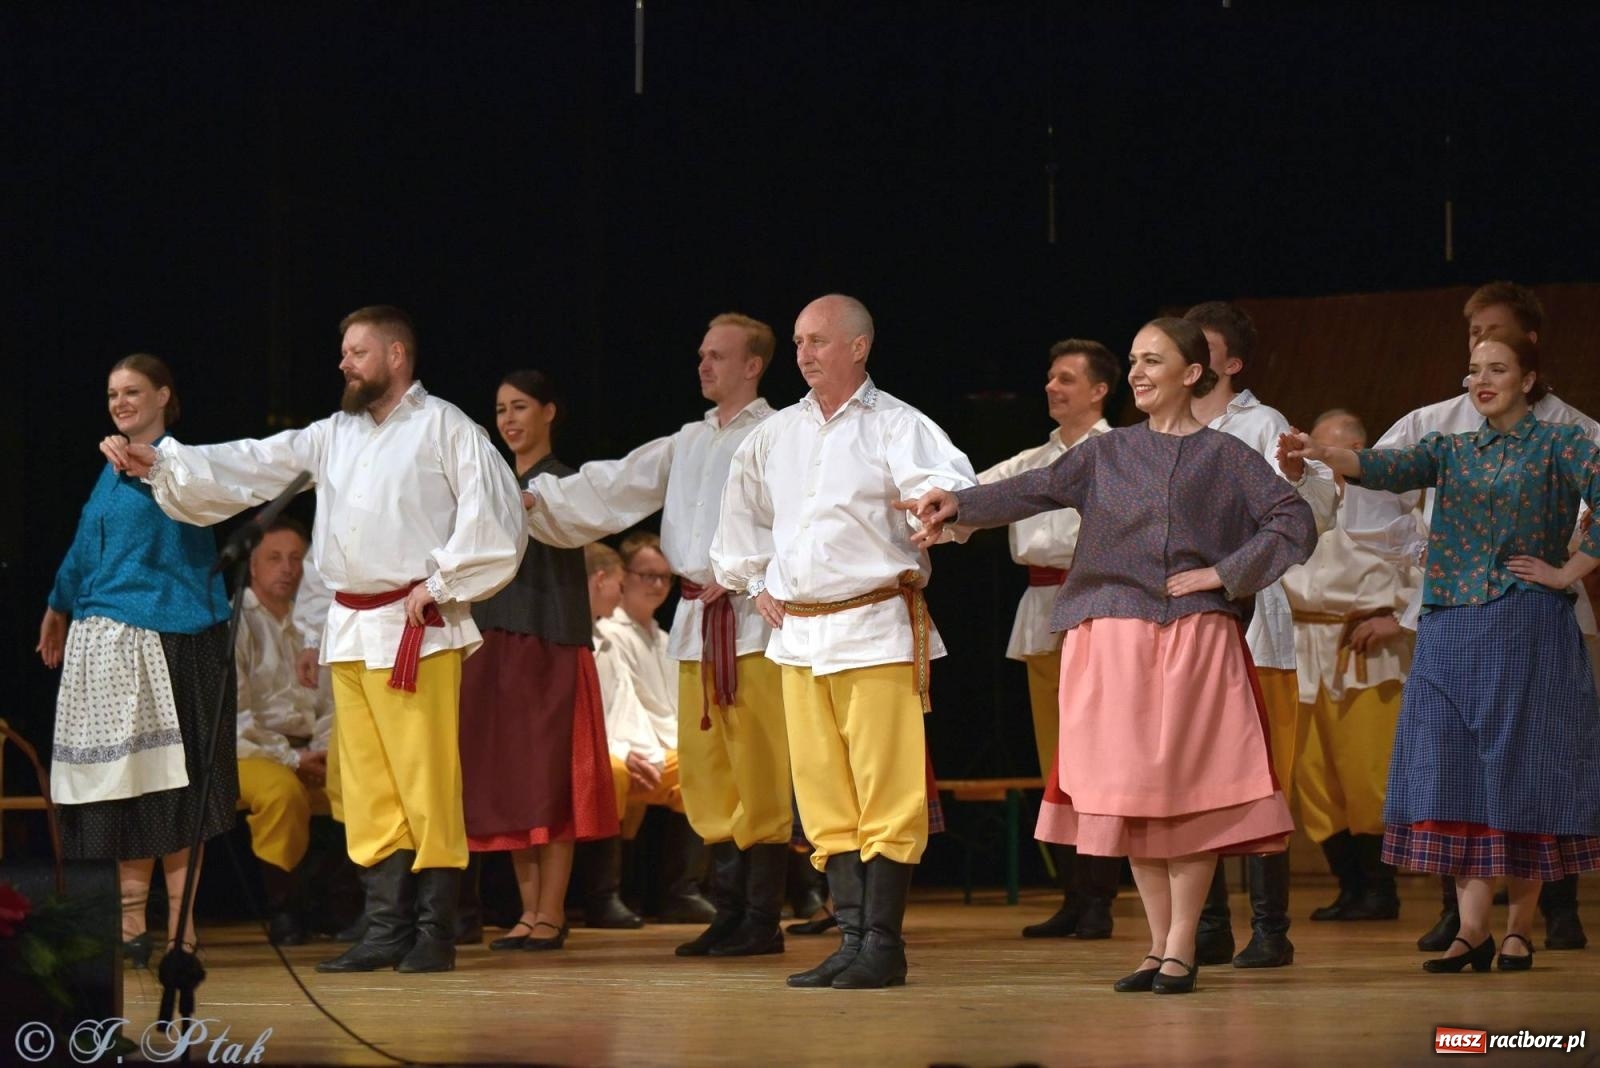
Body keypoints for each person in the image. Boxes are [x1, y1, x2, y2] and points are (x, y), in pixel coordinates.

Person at [100, 305, 526, 974]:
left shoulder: (445, 427)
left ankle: (435, 927)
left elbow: (495, 515)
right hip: (354, 630)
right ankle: (384, 924)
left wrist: (443, 584)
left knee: (424, 778)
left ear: (395, 357)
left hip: (415, 626)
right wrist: (163, 462)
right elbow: (255, 463)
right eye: (344, 352)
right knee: (364, 784)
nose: (344, 363)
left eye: (357, 352)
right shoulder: (336, 434)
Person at [908, 317, 1316, 995]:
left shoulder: (1225, 455)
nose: (1138, 372)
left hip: (1190, 637)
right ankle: (1158, 946)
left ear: (1192, 374)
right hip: (1107, 639)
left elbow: (1293, 519)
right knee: (1132, 800)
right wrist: (959, 504)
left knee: (1185, 799)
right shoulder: (1108, 453)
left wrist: (1226, 572)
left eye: (1153, 360)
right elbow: (1030, 488)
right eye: (1133, 360)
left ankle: (1183, 945)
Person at [1286, 334, 1600, 974]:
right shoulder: (1449, 448)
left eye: (1498, 370)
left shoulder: (1561, 444)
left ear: (1529, 379)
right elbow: (1382, 468)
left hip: (1525, 620)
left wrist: (1569, 572)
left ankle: (1518, 930)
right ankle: (1470, 930)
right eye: (1474, 371)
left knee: (1522, 768)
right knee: (1455, 769)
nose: (1481, 381)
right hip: (1450, 625)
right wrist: (1320, 451)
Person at [712, 293, 977, 990]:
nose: (804, 353)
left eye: (819, 341)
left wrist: (937, 512)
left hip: (875, 628)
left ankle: (883, 945)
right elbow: (739, 520)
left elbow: (952, 490)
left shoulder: (896, 425)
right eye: (799, 341)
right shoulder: (774, 436)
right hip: (800, 636)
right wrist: (751, 584)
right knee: (825, 796)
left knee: (885, 792)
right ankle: (851, 937)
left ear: (858, 347)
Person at [522, 313, 793, 958]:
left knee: (757, 764)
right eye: (701, 355)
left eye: (718, 357)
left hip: (751, 620)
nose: (704, 366)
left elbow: (800, 520)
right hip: (699, 619)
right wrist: (541, 500)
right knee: (706, 770)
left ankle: (761, 915)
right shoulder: (688, 440)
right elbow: (616, 484)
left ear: (753, 365)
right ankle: (728, 910)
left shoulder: (781, 435)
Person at [39, 353, 236, 969]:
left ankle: (181, 925)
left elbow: (204, 505)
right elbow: (87, 542)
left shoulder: (182, 465)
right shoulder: (110, 469)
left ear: (163, 396)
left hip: (175, 635)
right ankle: (130, 924)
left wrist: (156, 470)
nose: (120, 402)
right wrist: (58, 603)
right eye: (112, 394)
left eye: (132, 392)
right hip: (115, 643)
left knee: (175, 789)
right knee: (130, 787)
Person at [1184, 300, 1337, 969]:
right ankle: (1210, 925)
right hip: (1185, 627)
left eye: (1204, 345)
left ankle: (1271, 929)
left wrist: (1299, 475)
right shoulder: (1167, 425)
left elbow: (1306, 517)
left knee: (1262, 775)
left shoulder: (1262, 424)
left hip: (1253, 622)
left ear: (1232, 362)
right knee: (1195, 774)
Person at [953, 338, 1121, 939]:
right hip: (1043, 605)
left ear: (1100, 390)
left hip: (1100, 608)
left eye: (1067, 379)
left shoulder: (1123, 453)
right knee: (1057, 760)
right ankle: (1075, 893)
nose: (1053, 387)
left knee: (1099, 757)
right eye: (1050, 378)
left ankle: (1101, 895)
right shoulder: (1032, 460)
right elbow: (966, 494)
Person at [460, 370, 619, 953]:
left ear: (550, 411)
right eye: (501, 409)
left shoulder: (565, 484)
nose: (508, 420)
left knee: (551, 780)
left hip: (548, 635)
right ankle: (529, 911)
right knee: (514, 783)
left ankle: (551, 910)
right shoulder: (494, 483)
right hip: (496, 636)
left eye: (520, 406)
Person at [1280, 410, 1417, 922]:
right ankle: (1349, 886)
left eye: (1327, 449)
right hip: (1303, 644)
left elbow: (1424, 561)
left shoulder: (1384, 503)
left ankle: (1382, 888)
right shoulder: (1298, 503)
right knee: (1313, 777)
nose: (1317, 457)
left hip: (1365, 645)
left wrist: (1400, 620)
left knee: (1368, 772)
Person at [595, 533, 716, 923]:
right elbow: (617, 707)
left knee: (704, 770)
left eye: (665, 577)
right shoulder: (609, 634)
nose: (657, 585)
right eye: (647, 575)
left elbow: (670, 711)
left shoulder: (663, 639)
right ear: (623, 577)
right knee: (628, 775)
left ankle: (677, 891)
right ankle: (610, 894)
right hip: (625, 745)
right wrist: (633, 750)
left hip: (654, 745)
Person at [234, 517, 336, 946]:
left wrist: (324, 750)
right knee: (282, 793)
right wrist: (292, 759)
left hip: (310, 746)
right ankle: (285, 910)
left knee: (360, 783)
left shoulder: (315, 623)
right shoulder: (235, 621)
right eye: (274, 558)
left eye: (296, 559)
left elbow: (332, 702)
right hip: (247, 750)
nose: (288, 568)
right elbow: (235, 716)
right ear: (253, 566)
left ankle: (342, 907)